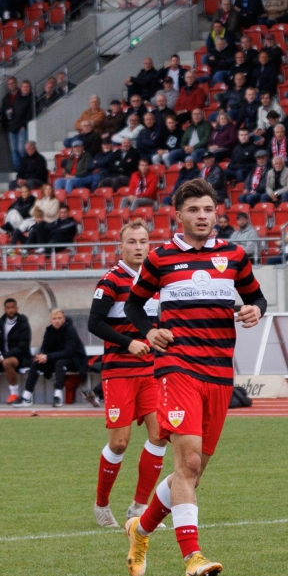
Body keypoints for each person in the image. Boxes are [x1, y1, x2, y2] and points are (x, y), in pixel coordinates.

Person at [121, 179, 267, 576]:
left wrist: (255, 310)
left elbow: (257, 297)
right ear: (178, 215)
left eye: (208, 209)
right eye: (194, 210)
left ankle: (140, 530)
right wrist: (150, 331)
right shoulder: (160, 258)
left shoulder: (234, 256)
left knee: (194, 472)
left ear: (216, 213)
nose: (202, 216)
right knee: (186, 464)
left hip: (219, 374)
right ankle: (192, 558)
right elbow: (133, 304)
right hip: (177, 368)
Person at [86, 219, 167, 527]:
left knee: (159, 435)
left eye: (143, 241)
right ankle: (101, 504)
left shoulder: (155, 283)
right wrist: (128, 343)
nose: (138, 247)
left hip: (151, 371)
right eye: (132, 242)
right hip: (119, 372)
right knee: (119, 443)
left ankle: (139, 507)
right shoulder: (111, 280)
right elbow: (94, 323)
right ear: (121, 246)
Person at [22, 307, 89, 405]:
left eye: (59, 318)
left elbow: (69, 352)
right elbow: (44, 348)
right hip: (55, 359)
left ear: (64, 319)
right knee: (36, 363)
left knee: (60, 363)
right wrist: (42, 356)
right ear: (50, 320)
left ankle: (58, 396)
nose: (57, 321)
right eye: (54, 318)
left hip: (74, 360)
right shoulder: (49, 331)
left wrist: (48, 357)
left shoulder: (70, 330)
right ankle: (26, 396)